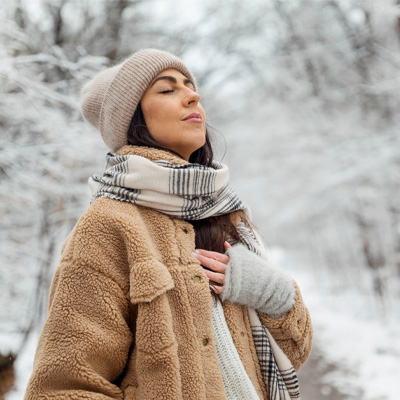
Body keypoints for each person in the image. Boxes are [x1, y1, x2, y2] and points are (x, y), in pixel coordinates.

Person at [25, 48, 312, 400]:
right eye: (167, 89)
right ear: (133, 120)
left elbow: (294, 355)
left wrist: (275, 293)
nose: (194, 95)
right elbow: (63, 387)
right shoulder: (108, 224)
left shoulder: (226, 213)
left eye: (190, 85)